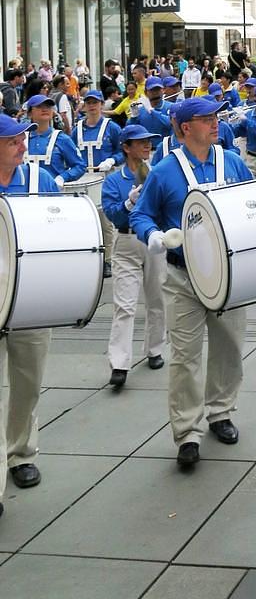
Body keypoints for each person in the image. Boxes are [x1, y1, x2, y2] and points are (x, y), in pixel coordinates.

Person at [129, 97, 254, 466]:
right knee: (184, 357)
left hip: (228, 275)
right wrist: (151, 234)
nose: (216, 123)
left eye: (216, 117)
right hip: (182, 276)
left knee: (229, 347)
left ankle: (221, 412)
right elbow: (141, 214)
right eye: (206, 119)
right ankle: (187, 432)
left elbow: (250, 203)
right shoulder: (165, 170)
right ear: (185, 128)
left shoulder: (231, 161)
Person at [0, 114, 61, 520]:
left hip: (30, 300)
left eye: (23, 138)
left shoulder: (43, 182)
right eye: (13, 142)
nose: (24, 146)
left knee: (28, 382)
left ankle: (21, 453)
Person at [102, 125, 167, 388]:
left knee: (157, 298)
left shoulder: (157, 174)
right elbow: (112, 215)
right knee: (124, 304)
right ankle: (119, 363)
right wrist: (129, 203)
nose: (146, 146)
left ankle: (155, 349)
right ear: (126, 147)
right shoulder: (114, 181)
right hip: (127, 241)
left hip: (152, 239)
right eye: (140, 142)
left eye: (148, 142)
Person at [73, 90, 124, 277]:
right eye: (89, 102)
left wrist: (112, 160)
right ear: (85, 105)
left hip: (105, 179)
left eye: (95, 102)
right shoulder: (77, 129)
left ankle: (107, 260)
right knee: (83, 221)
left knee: (105, 222)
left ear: (102, 104)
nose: (92, 106)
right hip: (82, 180)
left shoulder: (112, 128)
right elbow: (70, 154)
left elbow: (123, 151)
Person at [23, 94, 86, 186]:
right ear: (29, 113)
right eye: (39, 106)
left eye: (48, 106)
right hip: (22, 196)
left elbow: (80, 166)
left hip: (52, 194)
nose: (44, 109)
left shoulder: (62, 139)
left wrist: (62, 177)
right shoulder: (20, 139)